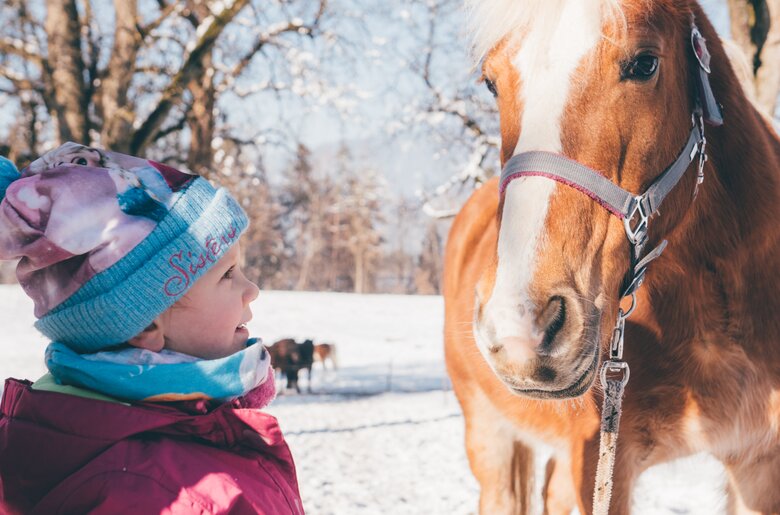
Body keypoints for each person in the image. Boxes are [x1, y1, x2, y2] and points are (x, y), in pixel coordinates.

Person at [0, 144, 304, 514]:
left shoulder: (87, 428)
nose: (251, 289)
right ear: (146, 324)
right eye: (227, 274)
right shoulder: (155, 493)